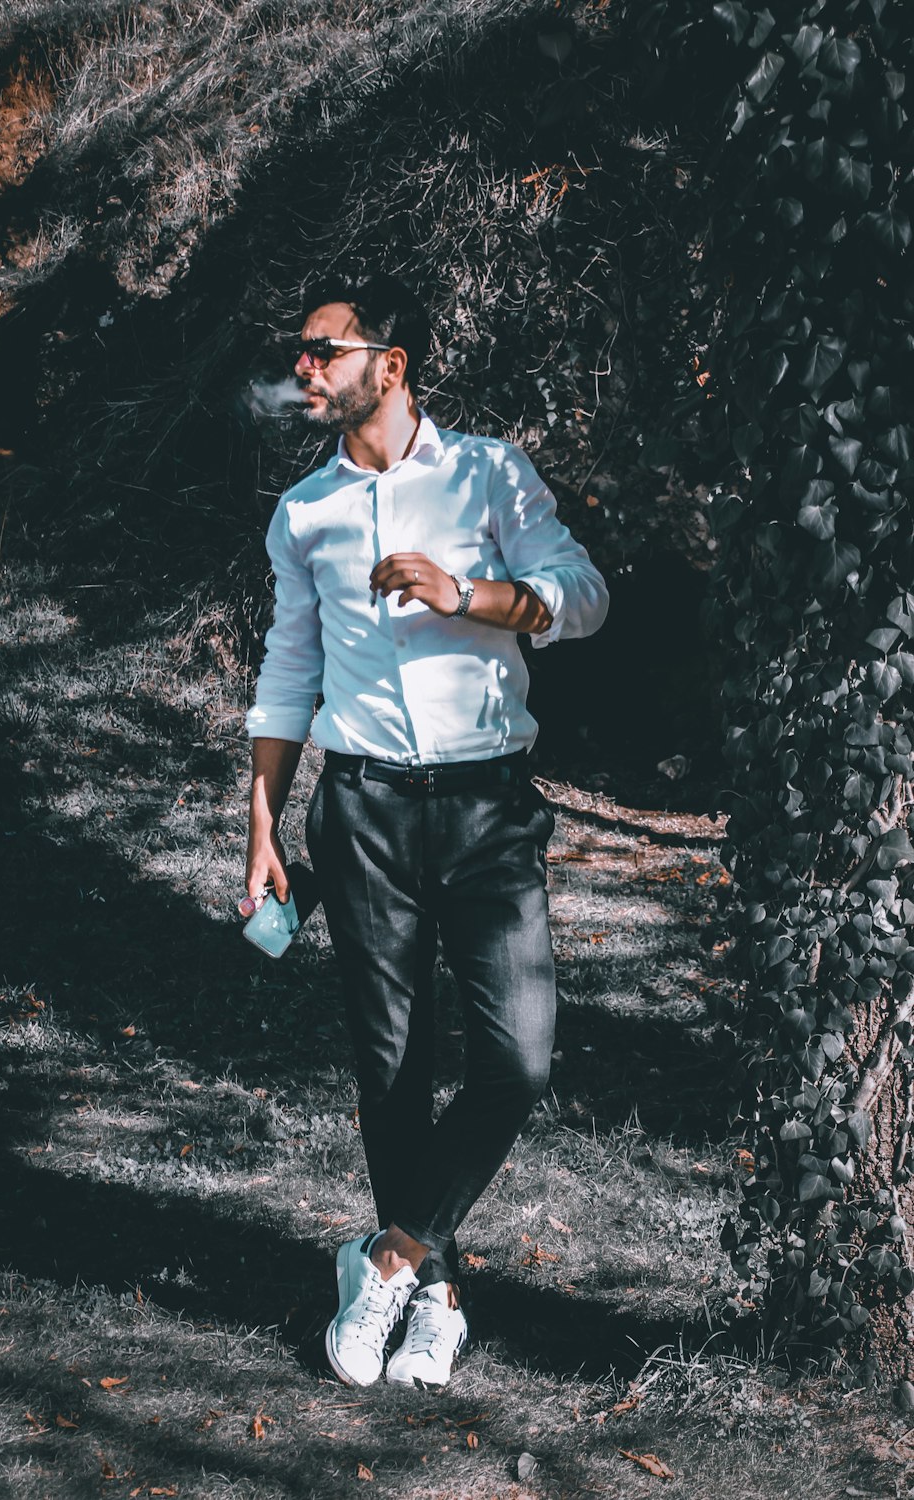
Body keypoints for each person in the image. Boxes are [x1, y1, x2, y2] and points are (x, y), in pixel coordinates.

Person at [244, 272, 609, 1389]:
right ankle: (438, 1302)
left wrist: (471, 594)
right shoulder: (303, 512)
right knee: (391, 1065)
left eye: (323, 350)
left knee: (519, 1060)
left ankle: (389, 1253)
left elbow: (583, 593)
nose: (303, 368)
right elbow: (288, 670)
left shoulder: (489, 472)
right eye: (298, 352)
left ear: (388, 366)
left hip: (489, 810)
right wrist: (262, 824)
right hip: (362, 810)